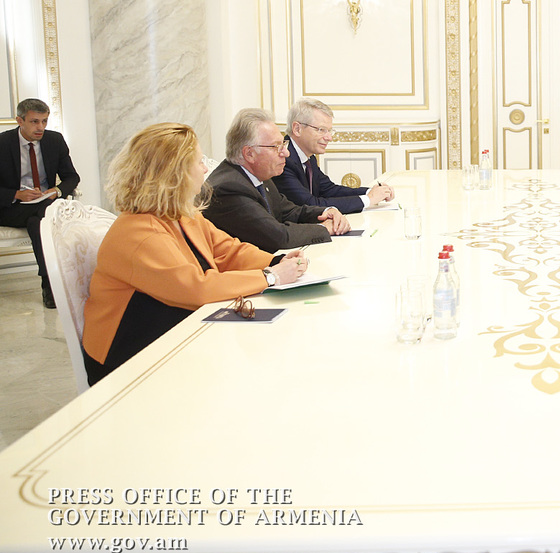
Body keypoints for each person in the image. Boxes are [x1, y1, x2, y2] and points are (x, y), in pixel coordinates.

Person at [82, 123, 307, 385]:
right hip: (130, 356)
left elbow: (228, 251)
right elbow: (195, 289)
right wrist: (270, 276)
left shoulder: (181, 214)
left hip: (175, 332)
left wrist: (276, 261)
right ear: (174, 172)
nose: (205, 169)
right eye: (199, 161)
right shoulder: (137, 231)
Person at [206, 108, 351, 251]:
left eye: (283, 144)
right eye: (276, 147)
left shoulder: (260, 176)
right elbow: (277, 236)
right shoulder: (229, 188)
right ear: (249, 153)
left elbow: (290, 212)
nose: (286, 153)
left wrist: (327, 212)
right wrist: (323, 228)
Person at [0, 98, 81, 308]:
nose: (41, 127)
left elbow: (72, 177)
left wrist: (56, 190)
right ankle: (52, 284)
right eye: (35, 122)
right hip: (11, 208)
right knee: (45, 214)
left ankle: (48, 284)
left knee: (38, 222)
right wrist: (17, 194)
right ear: (20, 121)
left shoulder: (54, 140)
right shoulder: (3, 143)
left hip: (44, 204)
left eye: (44, 121)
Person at [276, 98, 395, 213]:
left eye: (329, 131)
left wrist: (371, 192)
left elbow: (329, 190)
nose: (329, 138)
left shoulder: (308, 157)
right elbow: (310, 204)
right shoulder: (282, 160)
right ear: (297, 129)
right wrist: (369, 199)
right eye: (321, 130)